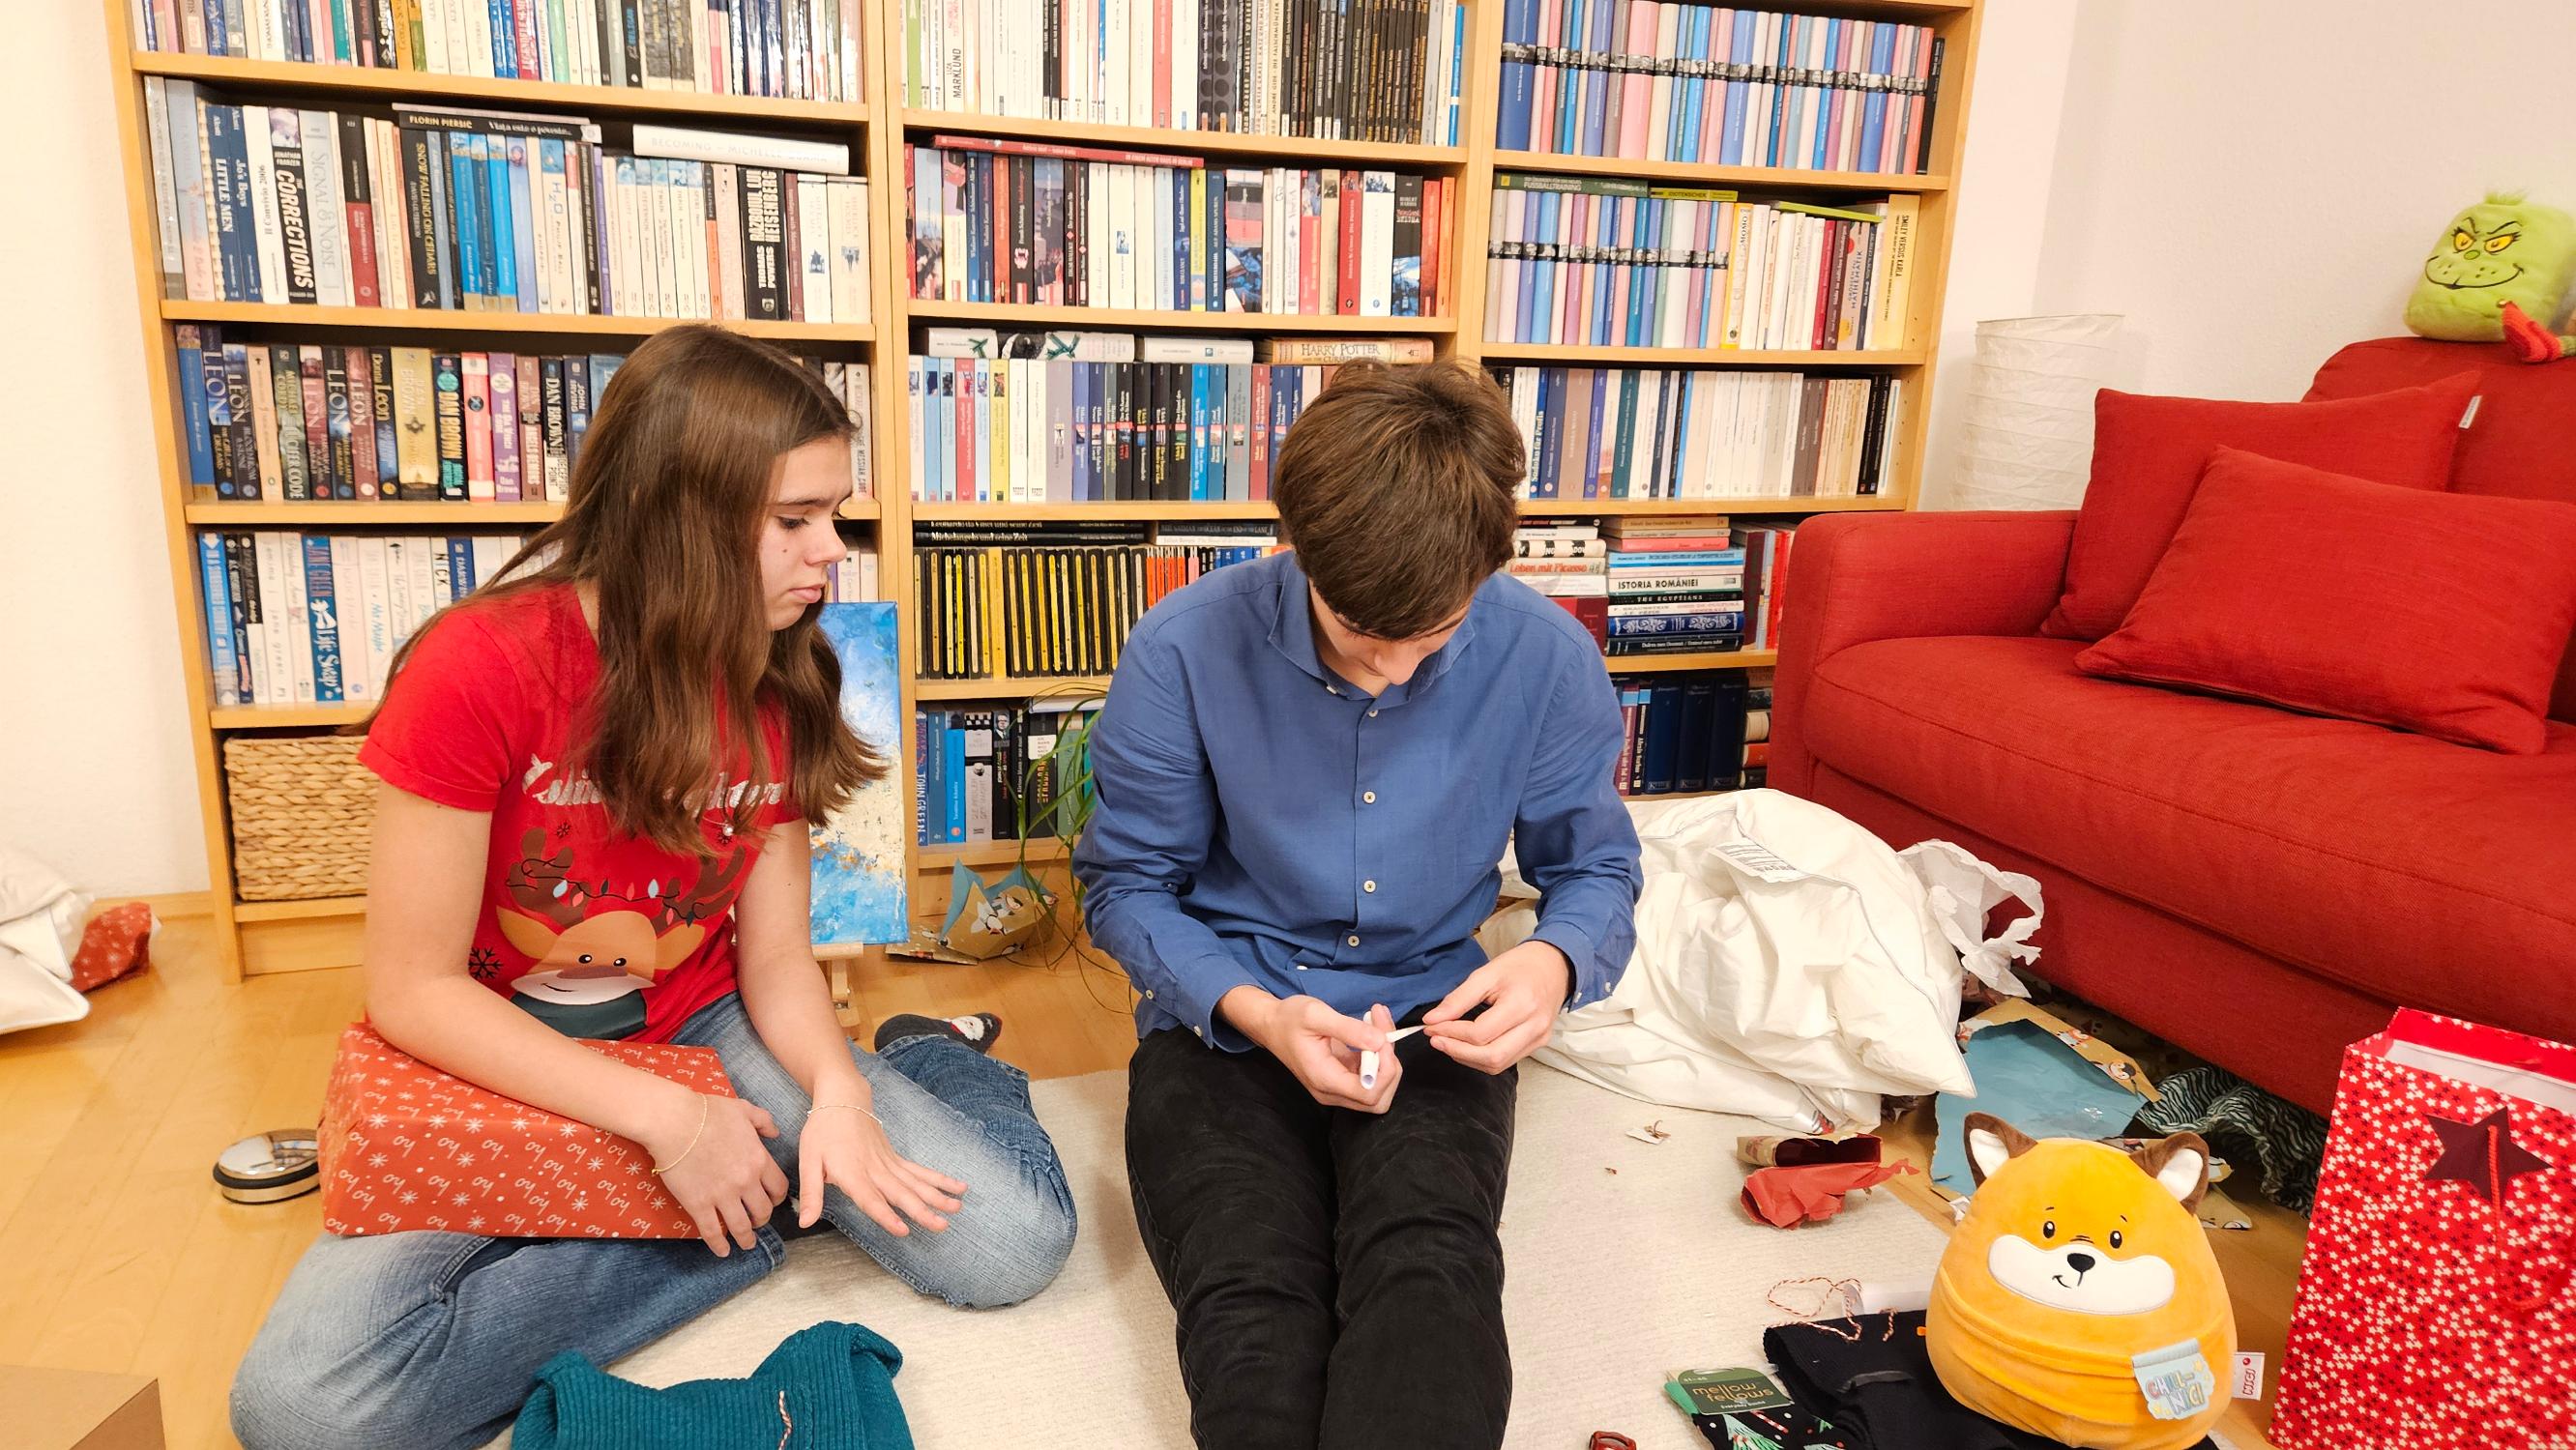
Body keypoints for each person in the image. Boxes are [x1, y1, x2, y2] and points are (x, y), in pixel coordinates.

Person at [231, 327, 1075, 1450]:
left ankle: (929, 1063)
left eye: (834, 514)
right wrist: (673, 1127)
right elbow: (414, 990)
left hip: (709, 1024)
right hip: (499, 1040)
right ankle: (756, 1210)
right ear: (674, 514)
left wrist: (838, 1094)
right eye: (795, 520)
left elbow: (774, 959)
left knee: (1013, 1246)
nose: (833, 550)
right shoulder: (480, 667)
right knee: (302, 1410)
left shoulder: (785, 669)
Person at [1073, 360, 1644, 1449]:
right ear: (1294, 542)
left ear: (1490, 564)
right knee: (1250, 1296)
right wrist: (1258, 1014)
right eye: (1355, 629)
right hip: (1226, 1012)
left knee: (1432, 1265)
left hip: (1435, 1017)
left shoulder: (1547, 657)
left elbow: (1595, 871)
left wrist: (1553, 962)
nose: (1389, 668)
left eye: (1430, 633)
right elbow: (1128, 884)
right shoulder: (1184, 647)